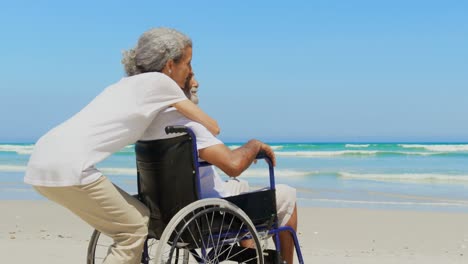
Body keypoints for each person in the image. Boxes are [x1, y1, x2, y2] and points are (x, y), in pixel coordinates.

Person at [24, 28, 219, 264]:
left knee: (137, 217)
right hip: (71, 166)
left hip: (41, 159)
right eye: (188, 63)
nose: (190, 72)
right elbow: (212, 126)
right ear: (169, 65)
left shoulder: (125, 84)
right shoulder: (161, 83)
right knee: (133, 230)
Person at [140, 74, 299, 264]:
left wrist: (242, 153)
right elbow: (233, 165)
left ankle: (248, 258)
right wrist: (254, 146)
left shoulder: (149, 126)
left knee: (240, 185)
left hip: (166, 214)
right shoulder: (188, 127)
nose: (196, 83)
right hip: (207, 215)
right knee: (287, 194)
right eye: (189, 75)